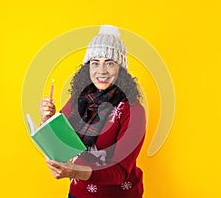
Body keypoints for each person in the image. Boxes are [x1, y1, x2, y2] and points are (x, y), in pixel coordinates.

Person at [40, 25, 146, 198]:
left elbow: (119, 171)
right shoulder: (78, 100)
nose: (101, 71)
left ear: (120, 69)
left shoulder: (133, 111)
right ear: (87, 68)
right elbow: (58, 141)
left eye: (109, 63)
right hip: (77, 193)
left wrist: (74, 171)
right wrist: (47, 119)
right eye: (95, 63)